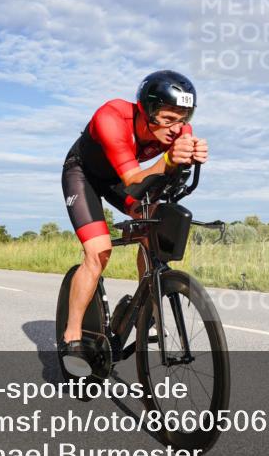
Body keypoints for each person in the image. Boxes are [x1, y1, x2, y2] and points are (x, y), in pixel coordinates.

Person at [60, 71, 208, 376]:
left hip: (120, 177)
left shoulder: (179, 130)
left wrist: (187, 160)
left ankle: (147, 298)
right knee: (99, 252)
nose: (176, 128)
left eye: (183, 119)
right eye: (167, 118)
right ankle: (72, 335)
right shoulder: (111, 117)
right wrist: (168, 162)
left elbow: (161, 181)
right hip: (84, 175)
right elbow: (132, 179)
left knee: (152, 224)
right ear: (145, 111)